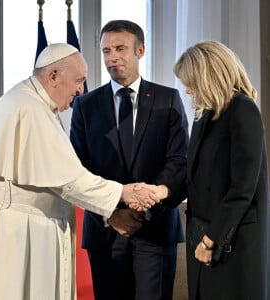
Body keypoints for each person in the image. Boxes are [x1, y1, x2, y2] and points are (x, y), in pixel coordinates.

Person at [0, 43, 165, 300]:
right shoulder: (28, 109)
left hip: (28, 223)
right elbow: (70, 181)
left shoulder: (33, 103)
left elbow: (57, 175)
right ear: (53, 76)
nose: (81, 90)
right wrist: (124, 192)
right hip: (17, 231)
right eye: (78, 80)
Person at [70, 20, 189, 300]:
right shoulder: (86, 105)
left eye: (121, 48)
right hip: (105, 233)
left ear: (141, 50)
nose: (112, 57)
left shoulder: (167, 99)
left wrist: (142, 211)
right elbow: (79, 169)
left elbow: (179, 163)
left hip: (156, 232)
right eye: (106, 50)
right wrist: (113, 215)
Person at [173, 40, 270, 300]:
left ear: (208, 76)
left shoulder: (243, 110)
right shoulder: (204, 114)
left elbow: (243, 189)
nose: (186, 90)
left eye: (190, 82)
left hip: (233, 243)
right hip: (202, 238)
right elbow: (193, 174)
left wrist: (211, 241)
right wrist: (161, 191)